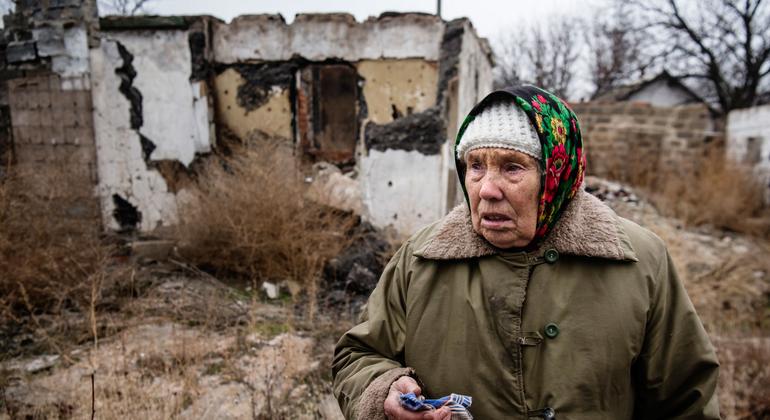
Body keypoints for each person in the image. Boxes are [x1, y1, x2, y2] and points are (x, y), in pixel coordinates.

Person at [332, 85, 720, 419]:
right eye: (476, 166)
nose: (486, 189)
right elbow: (357, 355)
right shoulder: (420, 259)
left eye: (512, 167)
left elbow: (687, 399)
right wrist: (383, 390)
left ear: (557, 174)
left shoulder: (640, 262)